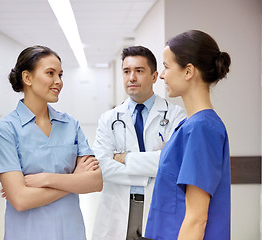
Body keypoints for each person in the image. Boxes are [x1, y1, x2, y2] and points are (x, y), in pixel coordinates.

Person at [0, 45, 103, 240]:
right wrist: (74, 180)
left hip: (71, 231)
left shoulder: (70, 124)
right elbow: (21, 200)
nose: (58, 81)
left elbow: (95, 182)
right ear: (27, 78)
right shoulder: (5, 130)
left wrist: (46, 179)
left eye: (60, 74)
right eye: (50, 73)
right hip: (27, 233)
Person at [91, 46, 186, 240]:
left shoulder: (176, 116)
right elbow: (102, 166)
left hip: (158, 205)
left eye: (139, 71)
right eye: (126, 71)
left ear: (154, 76)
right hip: (118, 208)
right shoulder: (109, 119)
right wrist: (146, 175)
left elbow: (174, 164)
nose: (131, 77)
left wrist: (124, 158)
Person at [145, 30, 231, 240]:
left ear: (188, 71)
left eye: (166, 66)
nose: (162, 75)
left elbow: (196, 218)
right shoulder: (189, 125)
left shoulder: (202, 129)